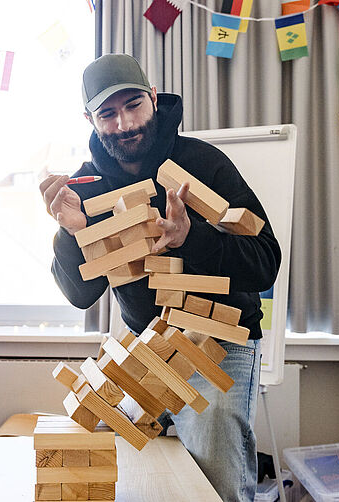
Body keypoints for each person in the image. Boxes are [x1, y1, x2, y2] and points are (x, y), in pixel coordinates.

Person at [39, 54, 281, 501]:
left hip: (221, 342)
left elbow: (266, 260)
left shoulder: (203, 163)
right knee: (135, 477)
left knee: (215, 483)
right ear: (89, 119)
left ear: (153, 98)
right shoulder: (84, 188)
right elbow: (80, 294)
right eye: (107, 114)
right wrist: (70, 233)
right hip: (149, 344)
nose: (125, 123)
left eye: (134, 105)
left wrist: (191, 237)